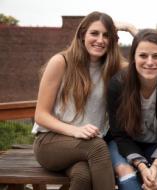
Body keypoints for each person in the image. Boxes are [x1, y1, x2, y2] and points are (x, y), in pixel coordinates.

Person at [32, 11, 137, 190]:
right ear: (82, 35)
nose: (100, 40)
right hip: (50, 142)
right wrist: (74, 131)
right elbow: (41, 115)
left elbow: (151, 64)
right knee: (98, 147)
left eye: (106, 35)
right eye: (94, 33)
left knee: (82, 176)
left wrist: (132, 30)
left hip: (84, 146)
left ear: (113, 40)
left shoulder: (114, 67)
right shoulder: (61, 62)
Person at [107, 29, 157, 190]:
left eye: (156, 56)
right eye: (143, 56)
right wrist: (142, 166)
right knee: (129, 180)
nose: (150, 62)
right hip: (125, 143)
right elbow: (119, 134)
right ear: (134, 58)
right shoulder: (118, 85)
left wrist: (155, 166)